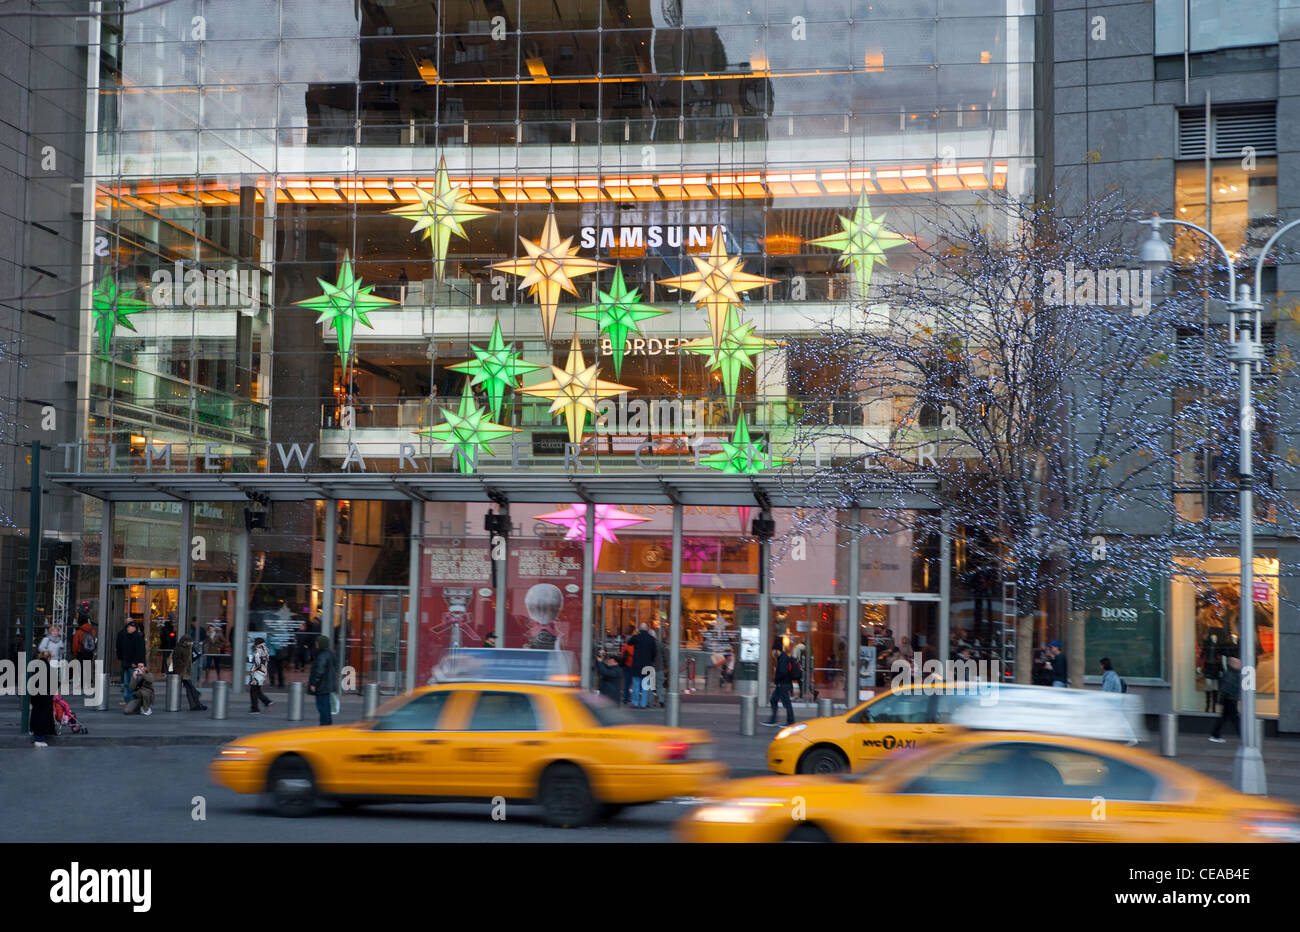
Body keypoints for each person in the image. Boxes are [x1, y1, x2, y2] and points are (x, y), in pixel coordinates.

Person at [1210, 655, 1242, 743]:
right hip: (1230, 699)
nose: (1240, 664)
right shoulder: (1231, 674)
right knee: (1235, 718)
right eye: (1238, 663)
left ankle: (1215, 735)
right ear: (1233, 664)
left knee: (1225, 718)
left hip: (1230, 699)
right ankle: (1243, 735)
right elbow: (1226, 688)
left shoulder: (1233, 673)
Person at [307, 635, 338, 725]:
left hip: (322, 686)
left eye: (317, 642)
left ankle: (324, 725)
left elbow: (319, 671)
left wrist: (313, 683)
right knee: (326, 706)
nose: (316, 644)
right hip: (328, 685)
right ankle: (327, 724)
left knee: (322, 707)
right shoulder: (330, 653)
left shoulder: (322, 655)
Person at [764, 644, 796, 727]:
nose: (772, 653)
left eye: (773, 651)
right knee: (773, 700)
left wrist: (776, 677)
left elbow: (783, 672)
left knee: (786, 703)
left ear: (777, 650)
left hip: (783, 684)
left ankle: (790, 721)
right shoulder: (781, 658)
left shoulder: (783, 658)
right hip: (781, 684)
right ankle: (773, 720)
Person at [628, 622, 657, 709]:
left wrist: (635, 633)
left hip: (637, 665)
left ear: (640, 629)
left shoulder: (636, 637)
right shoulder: (651, 639)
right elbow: (654, 653)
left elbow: (629, 642)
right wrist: (650, 660)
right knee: (645, 686)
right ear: (647, 629)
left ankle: (635, 703)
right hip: (647, 665)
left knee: (636, 685)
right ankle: (643, 704)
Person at [173, 634, 207, 711]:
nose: (191, 643)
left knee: (189, 688)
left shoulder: (188, 648)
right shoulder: (178, 649)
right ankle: (197, 697)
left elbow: (191, 658)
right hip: (181, 671)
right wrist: (183, 665)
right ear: (185, 642)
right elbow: (176, 660)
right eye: (189, 642)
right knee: (190, 686)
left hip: (186, 671)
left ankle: (194, 705)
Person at [116, 620, 146, 704]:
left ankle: (134, 701)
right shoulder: (126, 637)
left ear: (134, 628)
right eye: (128, 627)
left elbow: (140, 651)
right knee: (127, 683)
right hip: (127, 663)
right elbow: (122, 650)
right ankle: (128, 700)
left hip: (133, 664)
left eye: (129, 627)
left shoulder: (138, 638)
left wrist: (136, 662)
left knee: (133, 684)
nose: (128, 628)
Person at [30, 651, 56, 747]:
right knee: (43, 717)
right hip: (45, 697)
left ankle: (35, 733)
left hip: (36, 697)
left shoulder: (36, 667)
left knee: (36, 714)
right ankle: (39, 739)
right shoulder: (48, 668)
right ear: (48, 658)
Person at [247, 637, 273, 714]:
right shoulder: (266, 650)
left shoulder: (258, 651)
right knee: (257, 690)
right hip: (263, 672)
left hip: (257, 673)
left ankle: (255, 709)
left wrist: (252, 670)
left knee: (253, 691)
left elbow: (257, 663)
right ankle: (267, 702)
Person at [618, 627, 635, 704]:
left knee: (626, 683)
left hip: (626, 665)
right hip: (633, 665)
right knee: (634, 683)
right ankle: (632, 698)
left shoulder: (624, 646)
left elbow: (621, 655)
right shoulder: (634, 646)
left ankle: (625, 698)